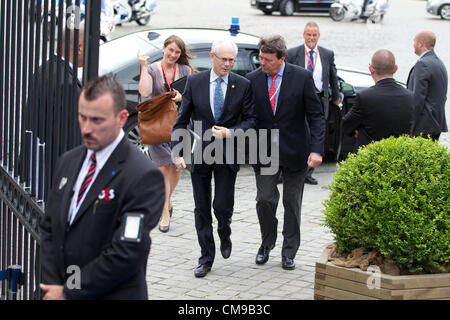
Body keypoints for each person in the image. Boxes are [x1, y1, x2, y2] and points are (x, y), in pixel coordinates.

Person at [39, 74, 165, 300]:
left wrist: (69, 292)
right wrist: (52, 286)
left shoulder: (143, 176)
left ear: (122, 118)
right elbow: (49, 227)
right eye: (82, 117)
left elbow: (126, 252)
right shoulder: (68, 161)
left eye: (97, 120)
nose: (87, 128)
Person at [172, 39, 256, 278]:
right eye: (223, 59)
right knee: (201, 207)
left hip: (228, 153)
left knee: (221, 205)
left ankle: (224, 229)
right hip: (199, 152)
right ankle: (206, 257)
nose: (228, 64)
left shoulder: (242, 85)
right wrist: (178, 151)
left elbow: (251, 120)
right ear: (212, 57)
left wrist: (231, 132)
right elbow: (182, 119)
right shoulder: (195, 82)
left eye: (231, 60)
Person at [246, 35, 325, 270]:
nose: (262, 63)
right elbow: (248, 116)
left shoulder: (301, 77)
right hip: (265, 151)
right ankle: (267, 242)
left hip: (295, 150)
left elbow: (316, 116)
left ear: (282, 58)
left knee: (292, 202)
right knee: (265, 200)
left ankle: (289, 251)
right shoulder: (252, 79)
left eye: (267, 60)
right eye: (260, 58)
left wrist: (317, 150)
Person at [137, 35, 195, 232]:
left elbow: (194, 96)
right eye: (170, 50)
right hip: (157, 127)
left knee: (176, 169)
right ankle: (164, 214)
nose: (173, 54)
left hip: (179, 126)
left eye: (177, 52)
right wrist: (143, 66)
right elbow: (145, 93)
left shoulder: (185, 70)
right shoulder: (152, 69)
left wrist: (182, 97)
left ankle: (167, 201)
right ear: (163, 49)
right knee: (162, 169)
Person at [286, 22, 340, 185]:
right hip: (299, 98)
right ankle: (289, 168)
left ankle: (308, 172)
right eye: (308, 35)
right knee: (297, 131)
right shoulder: (293, 53)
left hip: (319, 98)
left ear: (318, 36)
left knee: (316, 133)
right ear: (304, 35)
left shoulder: (327, 54)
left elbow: (333, 76)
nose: (311, 38)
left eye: (314, 35)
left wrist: (336, 96)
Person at [342, 49, 414, 151]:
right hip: (400, 157)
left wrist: (356, 131)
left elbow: (347, 125)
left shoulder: (364, 97)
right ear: (396, 69)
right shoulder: (410, 96)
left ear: (371, 69)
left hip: (370, 157)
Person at [407, 30, 448, 141]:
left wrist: (411, 125)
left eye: (414, 41)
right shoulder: (439, 62)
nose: (413, 44)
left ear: (420, 43)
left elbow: (417, 98)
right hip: (436, 122)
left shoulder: (423, 64)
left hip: (423, 125)